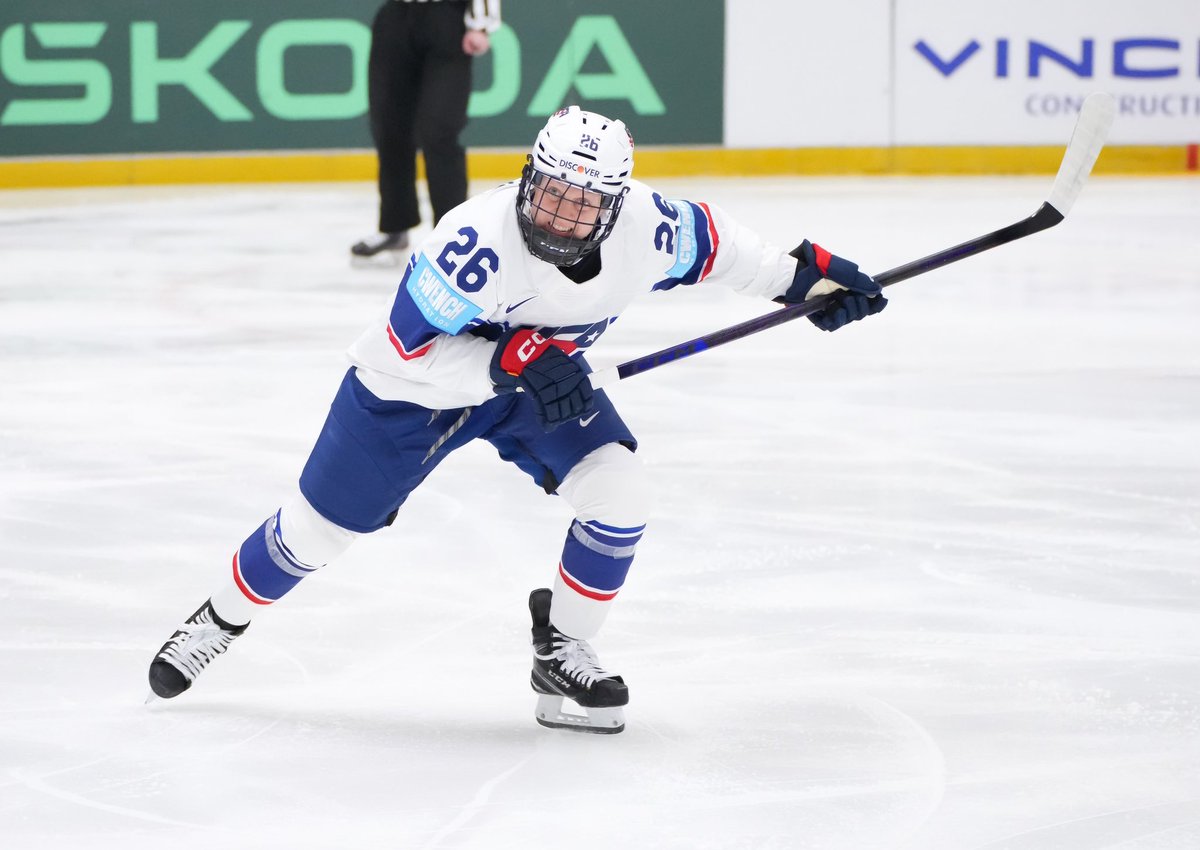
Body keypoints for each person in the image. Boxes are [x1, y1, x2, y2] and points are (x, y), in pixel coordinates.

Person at [149, 106, 888, 734]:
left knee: (620, 492)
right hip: (413, 395)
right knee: (315, 533)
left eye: (583, 205)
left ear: (617, 205)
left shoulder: (651, 230)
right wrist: (511, 361)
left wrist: (809, 280)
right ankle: (216, 621)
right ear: (529, 176)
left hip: (541, 392)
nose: (560, 216)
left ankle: (561, 648)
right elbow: (410, 350)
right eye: (550, 194)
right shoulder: (471, 242)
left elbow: (736, 254)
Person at [350, 0, 502, 262]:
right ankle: (394, 227)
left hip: (447, 17)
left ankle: (453, 235)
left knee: (438, 130)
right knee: (389, 126)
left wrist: (481, 24)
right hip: (395, 17)